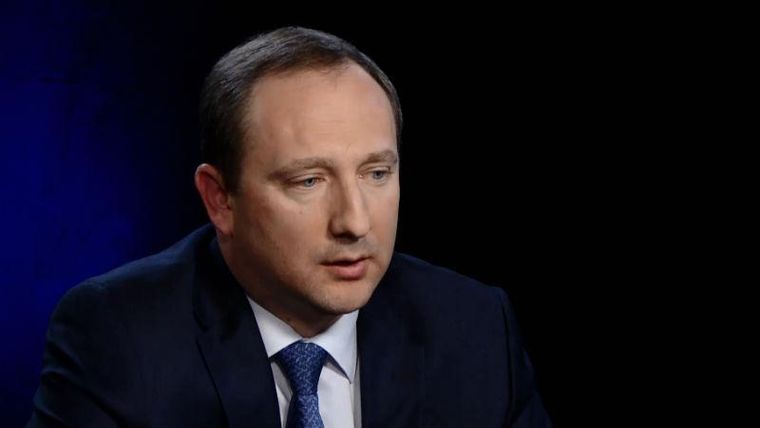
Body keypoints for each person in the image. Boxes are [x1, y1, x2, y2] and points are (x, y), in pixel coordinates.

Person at [27, 26, 551, 428]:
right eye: (308, 181)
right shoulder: (119, 337)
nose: (355, 222)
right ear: (219, 199)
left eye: (376, 173)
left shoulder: (474, 328)